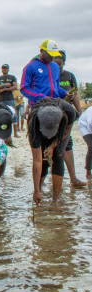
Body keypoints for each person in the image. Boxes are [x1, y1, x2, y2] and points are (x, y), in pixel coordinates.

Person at [28, 98, 76, 204]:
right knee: (43, 159)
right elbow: (37, 160)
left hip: (61, 133)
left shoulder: (69, 112)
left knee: (58, 155)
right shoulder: (33, 121)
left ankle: (56, 199)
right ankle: (37, 191)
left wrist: (52, 146)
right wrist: (36, 190)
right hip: (39, 131)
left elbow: (66, 131)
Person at [54, 50, 87, 187]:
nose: (58, 64)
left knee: (67, 144)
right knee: (50, 144)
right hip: (53, 113)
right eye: (55, 61)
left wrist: (79, 110)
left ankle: (73, 178)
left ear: (64, 62)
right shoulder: (50, 75)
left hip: (67, 115)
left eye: (60, 62)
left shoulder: (69, 76)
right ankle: (49, 179)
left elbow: (75, 95)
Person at [20, 39, 69, 106]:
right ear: (41, 51)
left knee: (72, 112)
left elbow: (56, 87)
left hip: (55, 102)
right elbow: (24, 88)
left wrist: (65, 93)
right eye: (49, 55)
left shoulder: (55, 66)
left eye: (53, 55)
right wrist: (41, 97)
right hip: (38, 104)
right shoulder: (30, 66)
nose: (52, 58)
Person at [0, 64, 19, 138]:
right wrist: (4, 85)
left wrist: (4, 89)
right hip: (2, 99)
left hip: (10, 99)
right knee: (1, 116)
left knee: (13, 115)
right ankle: (2, 133)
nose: (4, 69)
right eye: (3, 68)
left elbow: (15, 87)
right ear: (1, 69)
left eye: (6, 68)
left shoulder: (12, 77)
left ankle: (15, 133)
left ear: (8, 69)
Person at [78, 106, 92, 180]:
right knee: (91, 147)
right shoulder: (90, 111)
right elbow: (90, 123)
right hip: (85, 127)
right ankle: (88, 172)